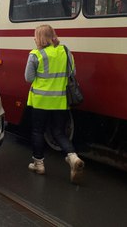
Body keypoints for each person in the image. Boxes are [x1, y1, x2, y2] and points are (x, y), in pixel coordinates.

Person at [25, 24, 85, 184]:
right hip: (60, 101)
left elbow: (28, 78)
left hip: (40, 101)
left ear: (38, 38)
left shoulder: (36, 54)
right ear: (53, 35)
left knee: (38, 131)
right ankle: (73, 158)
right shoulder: (65, 51)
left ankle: (39, 164)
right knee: (59, 133)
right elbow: (72, 73)